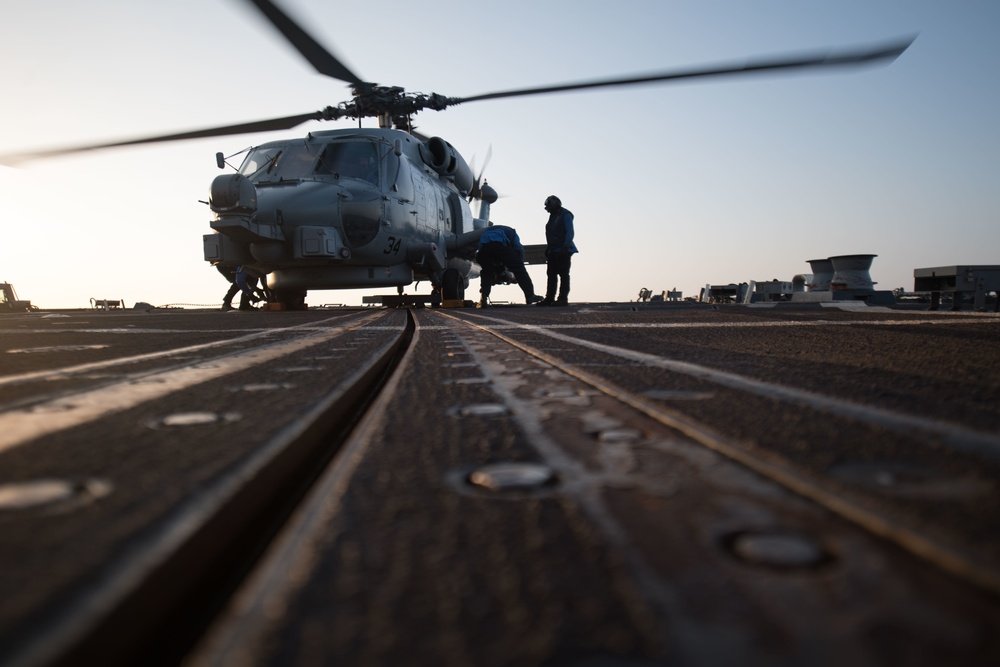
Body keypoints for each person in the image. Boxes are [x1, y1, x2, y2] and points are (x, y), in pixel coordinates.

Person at [475, 225, 543, 308]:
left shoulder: (485, 233)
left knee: (487, 272)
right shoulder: (512, 232)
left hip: (484, 250)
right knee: (519, 269)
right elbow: (518, 248)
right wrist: (518, 262)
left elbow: (481, 251)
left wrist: (494, 268)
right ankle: (530, 296)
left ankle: (483, 299)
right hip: (500, 246)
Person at [538, 195, 578, 306]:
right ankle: (549, 298)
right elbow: (550, 233)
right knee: (551, 274)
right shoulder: (553, 216)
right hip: (553, 250)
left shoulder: (565, 215)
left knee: (564, 274)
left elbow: (570, 232)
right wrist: (549, 248)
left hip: (563, 250)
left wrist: (565, 247)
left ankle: (562, 298)